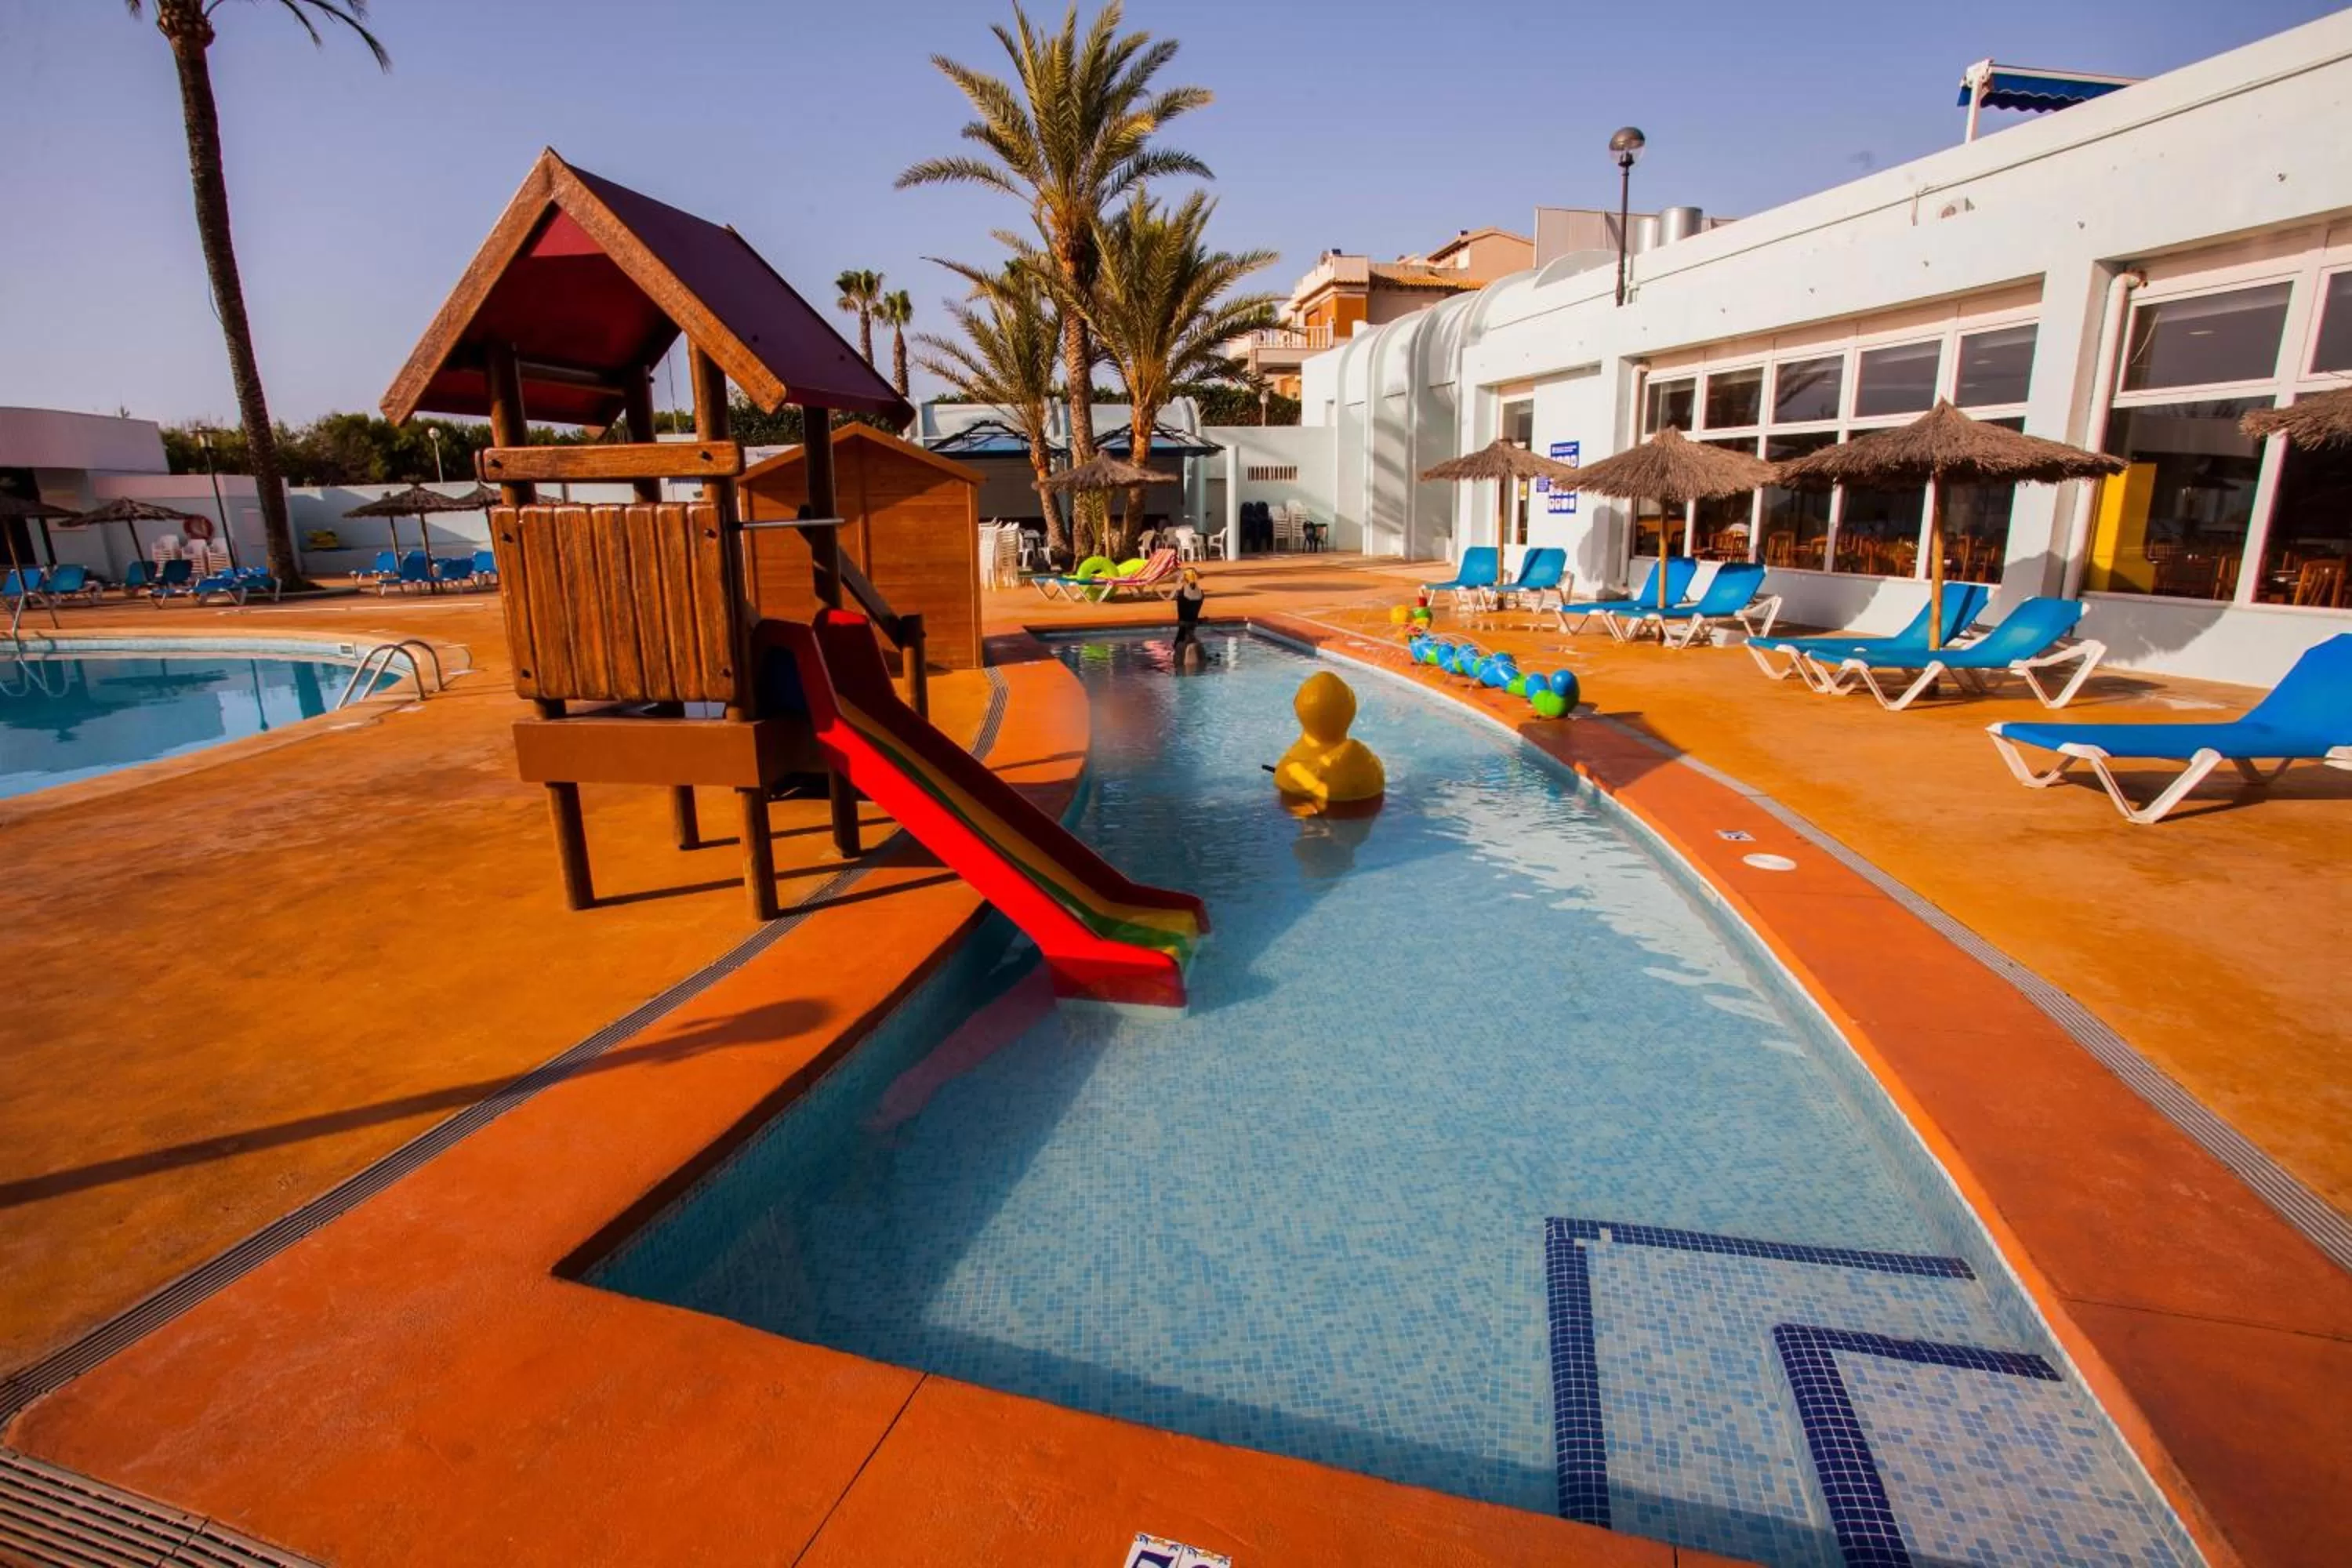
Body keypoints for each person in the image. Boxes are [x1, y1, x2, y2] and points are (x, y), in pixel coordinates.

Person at [1171, 566, 1207, 671]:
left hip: (1190, 622)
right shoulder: (1185, 594)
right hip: (1187, 622)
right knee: (1183, 639)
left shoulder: (1194, 593)